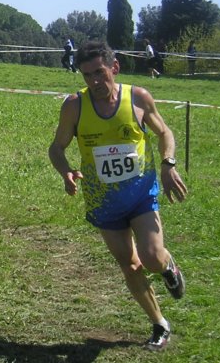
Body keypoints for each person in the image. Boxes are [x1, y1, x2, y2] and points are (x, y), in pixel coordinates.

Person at [48, 41, 187, 351]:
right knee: (130, 265)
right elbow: (56, 148)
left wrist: (168, 164)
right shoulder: (74, 106)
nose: (95, 81)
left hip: (140, 194)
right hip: (103, 200)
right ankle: (159, 323)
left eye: (100, 72)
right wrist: (65, 171)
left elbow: (164, 132)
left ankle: (167, 267)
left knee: (151, 257)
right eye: (87, 75)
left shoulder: (137, 97)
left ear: (114, 67)